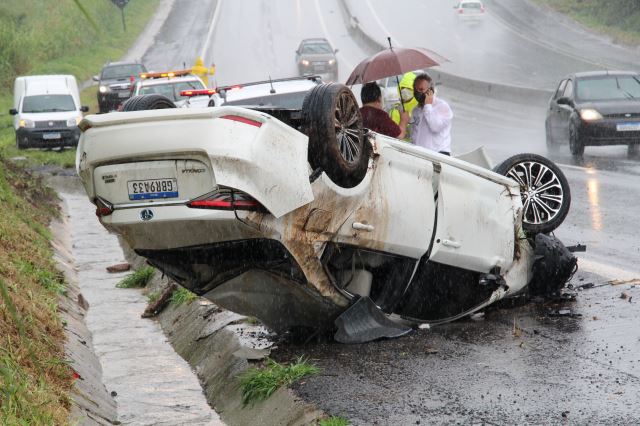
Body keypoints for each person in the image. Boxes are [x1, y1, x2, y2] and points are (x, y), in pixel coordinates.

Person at [410, 73, 453, 155]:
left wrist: (428, 106)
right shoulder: (416, 110)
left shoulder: (442, 106)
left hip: (438, 154)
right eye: (416, 90)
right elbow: (414, 134)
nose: (418, 92)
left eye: (421, 89)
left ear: (430, 91)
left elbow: (436, 127)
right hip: (419, 153)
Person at [388, 71, 418, 141]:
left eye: (409, 89)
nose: (405, 91)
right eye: (403, 87)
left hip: (409, 149)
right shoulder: (394, 108)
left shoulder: (417, 110)